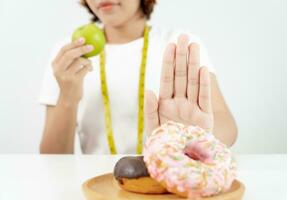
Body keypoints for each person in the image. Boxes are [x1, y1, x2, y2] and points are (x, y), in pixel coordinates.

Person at [39, 0, 237, 154]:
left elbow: (227, 127)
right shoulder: (67, 56)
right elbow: (52, 158)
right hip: (98, 187)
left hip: (169, 184)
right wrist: (67, 98)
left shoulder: (181, 45)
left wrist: (194, 135)